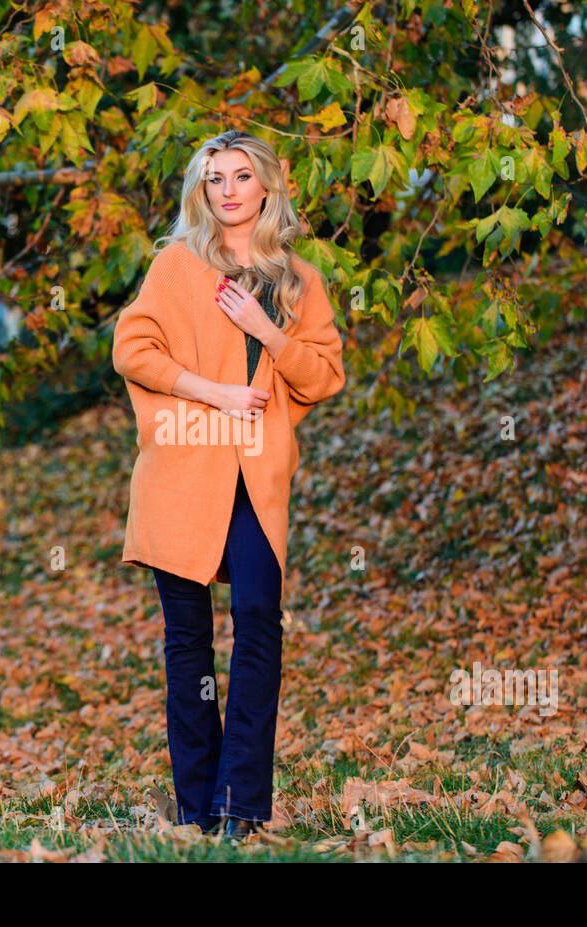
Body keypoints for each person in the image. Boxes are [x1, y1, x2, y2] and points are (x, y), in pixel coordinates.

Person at [111, 130, 346, 840]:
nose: (230, 189)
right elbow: (132, 348)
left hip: (257, 474)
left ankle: (239, 800)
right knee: (188, 639)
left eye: (243, 176)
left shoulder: (298, 281)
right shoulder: (178, 266)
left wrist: (267, 331)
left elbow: (324, 374)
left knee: (259, 624)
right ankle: (195, 804)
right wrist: (212, 391)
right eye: (216, 179)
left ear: (267, 187)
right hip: (184, 467)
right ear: (201, 191)